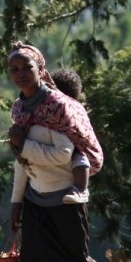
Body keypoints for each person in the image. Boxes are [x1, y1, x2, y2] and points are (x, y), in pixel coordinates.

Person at [5, 42, 128, 262]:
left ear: (40, 69)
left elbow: (63, 155)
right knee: (33, 260)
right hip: (35, 198)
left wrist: (24, 144)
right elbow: (21, 162)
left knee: (76, 258)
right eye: (14, 69)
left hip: (65, 198)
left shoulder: (57, 107)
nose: (20, 73)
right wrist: (16, 203)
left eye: (27, 67)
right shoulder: (19, 109)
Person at [50, 67, 90, 204]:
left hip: (76, 141)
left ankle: (81, 190)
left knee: (79, 157)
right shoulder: (52, 107)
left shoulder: (72, 107)